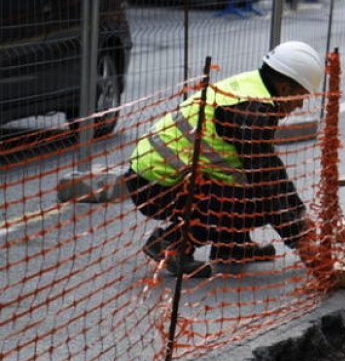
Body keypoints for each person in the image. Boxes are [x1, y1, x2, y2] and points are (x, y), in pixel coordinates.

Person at [124, 41, 326, 279]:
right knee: (254, 198)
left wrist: (299, 213)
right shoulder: (253, 112)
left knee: (244, 186)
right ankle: (171, 244)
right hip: (155, 186)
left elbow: (270, 167)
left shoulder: (254, 90)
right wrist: (299, 240)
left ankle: (231, 248)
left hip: (158, 178)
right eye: (300, 96)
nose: (300, 104)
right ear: (284, 88)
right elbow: (265, 185)